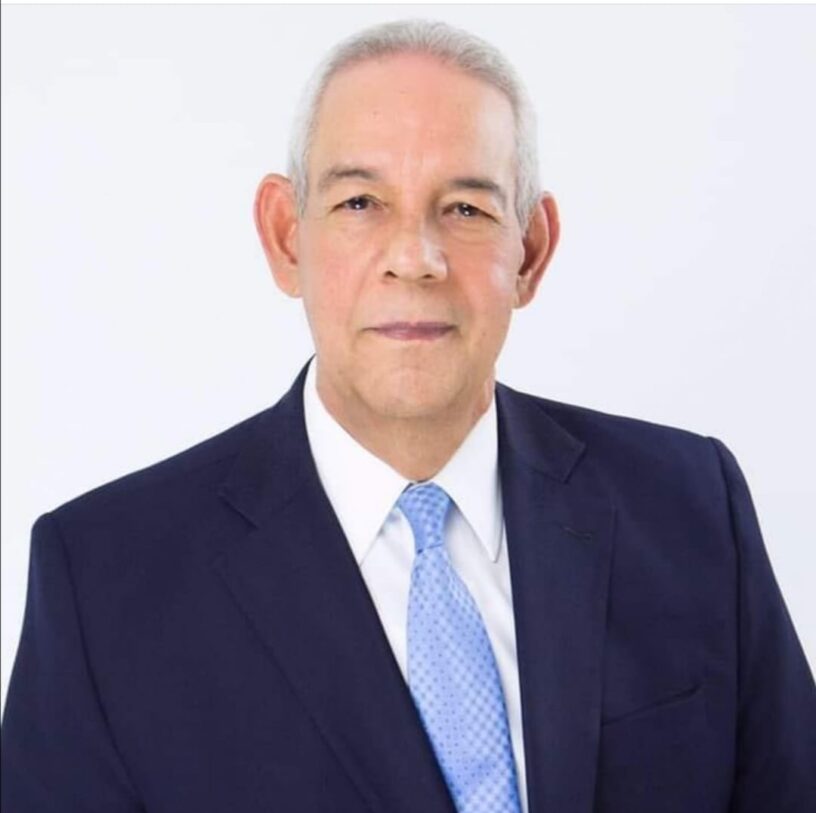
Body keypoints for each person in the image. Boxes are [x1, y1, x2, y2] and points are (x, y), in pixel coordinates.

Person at [2, 17, 814, 813]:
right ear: (287, 237)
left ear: (531, 251)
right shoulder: (105, 580)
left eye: (465, 209)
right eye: (361, 202)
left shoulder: (691, 508)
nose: (415, 258)